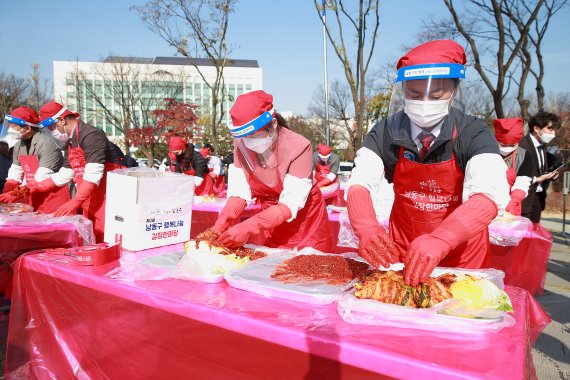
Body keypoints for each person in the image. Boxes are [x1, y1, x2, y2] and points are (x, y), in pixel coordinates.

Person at [345, 40, 510, 286]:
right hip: (403, 253)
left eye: (436, 95)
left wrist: (443, 238)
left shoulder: (473, 133)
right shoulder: (386, 132)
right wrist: (366, 228)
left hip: (461, 257)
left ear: (454, 90)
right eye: (414, 94)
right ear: (403, 92)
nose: (424, 102)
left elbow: (489, 194)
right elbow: (360, 183)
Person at [211, 90, 334, 252]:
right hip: (268, 221)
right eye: (246, 137)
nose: (249, 143)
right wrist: (220, 225)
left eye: (254, 136)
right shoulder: (241, 145)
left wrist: (247, 227)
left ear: (273, 124)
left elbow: (289, 204)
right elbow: (239, 194)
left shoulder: (299, 146)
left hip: (305, 221)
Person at [34, 102, 120, 242]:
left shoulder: (90, 135)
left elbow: (93, 176)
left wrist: (74, 202)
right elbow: (64, 174)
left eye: (51, 127)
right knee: (93, 242)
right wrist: (29, 188)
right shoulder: (70, 142)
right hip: (89, 201)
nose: (51, 132)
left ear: (62, 120)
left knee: (107, 241)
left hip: (108, 201)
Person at [0, 106, 69, 212]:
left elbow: (42, 177)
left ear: (28, 128)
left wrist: (15, 194)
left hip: (53, 199)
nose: (10, 130)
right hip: (33, 195)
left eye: (14, 126)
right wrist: (4, 196)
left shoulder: (47, 143)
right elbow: (14, 175)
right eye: (9, 126)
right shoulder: (18, 146)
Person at [518, 111, 562, 223]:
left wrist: (552, 175)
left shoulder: (542, 146)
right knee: (522, 237)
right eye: (550, 129)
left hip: (538, 197)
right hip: (523, 199)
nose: (553, 133)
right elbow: (515, 175)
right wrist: (537, 179)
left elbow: (542, 169)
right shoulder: (522, 146)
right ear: (537, 128)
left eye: (555, 130)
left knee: (534, 235)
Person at [493, 118, 534, 216]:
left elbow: (523, 182)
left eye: (512, 145)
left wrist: (514, 200)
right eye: (503, 145)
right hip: (489, 203)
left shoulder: (524, 156)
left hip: (512, 205)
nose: (507, 148)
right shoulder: (487, 152)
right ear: (496, 140)